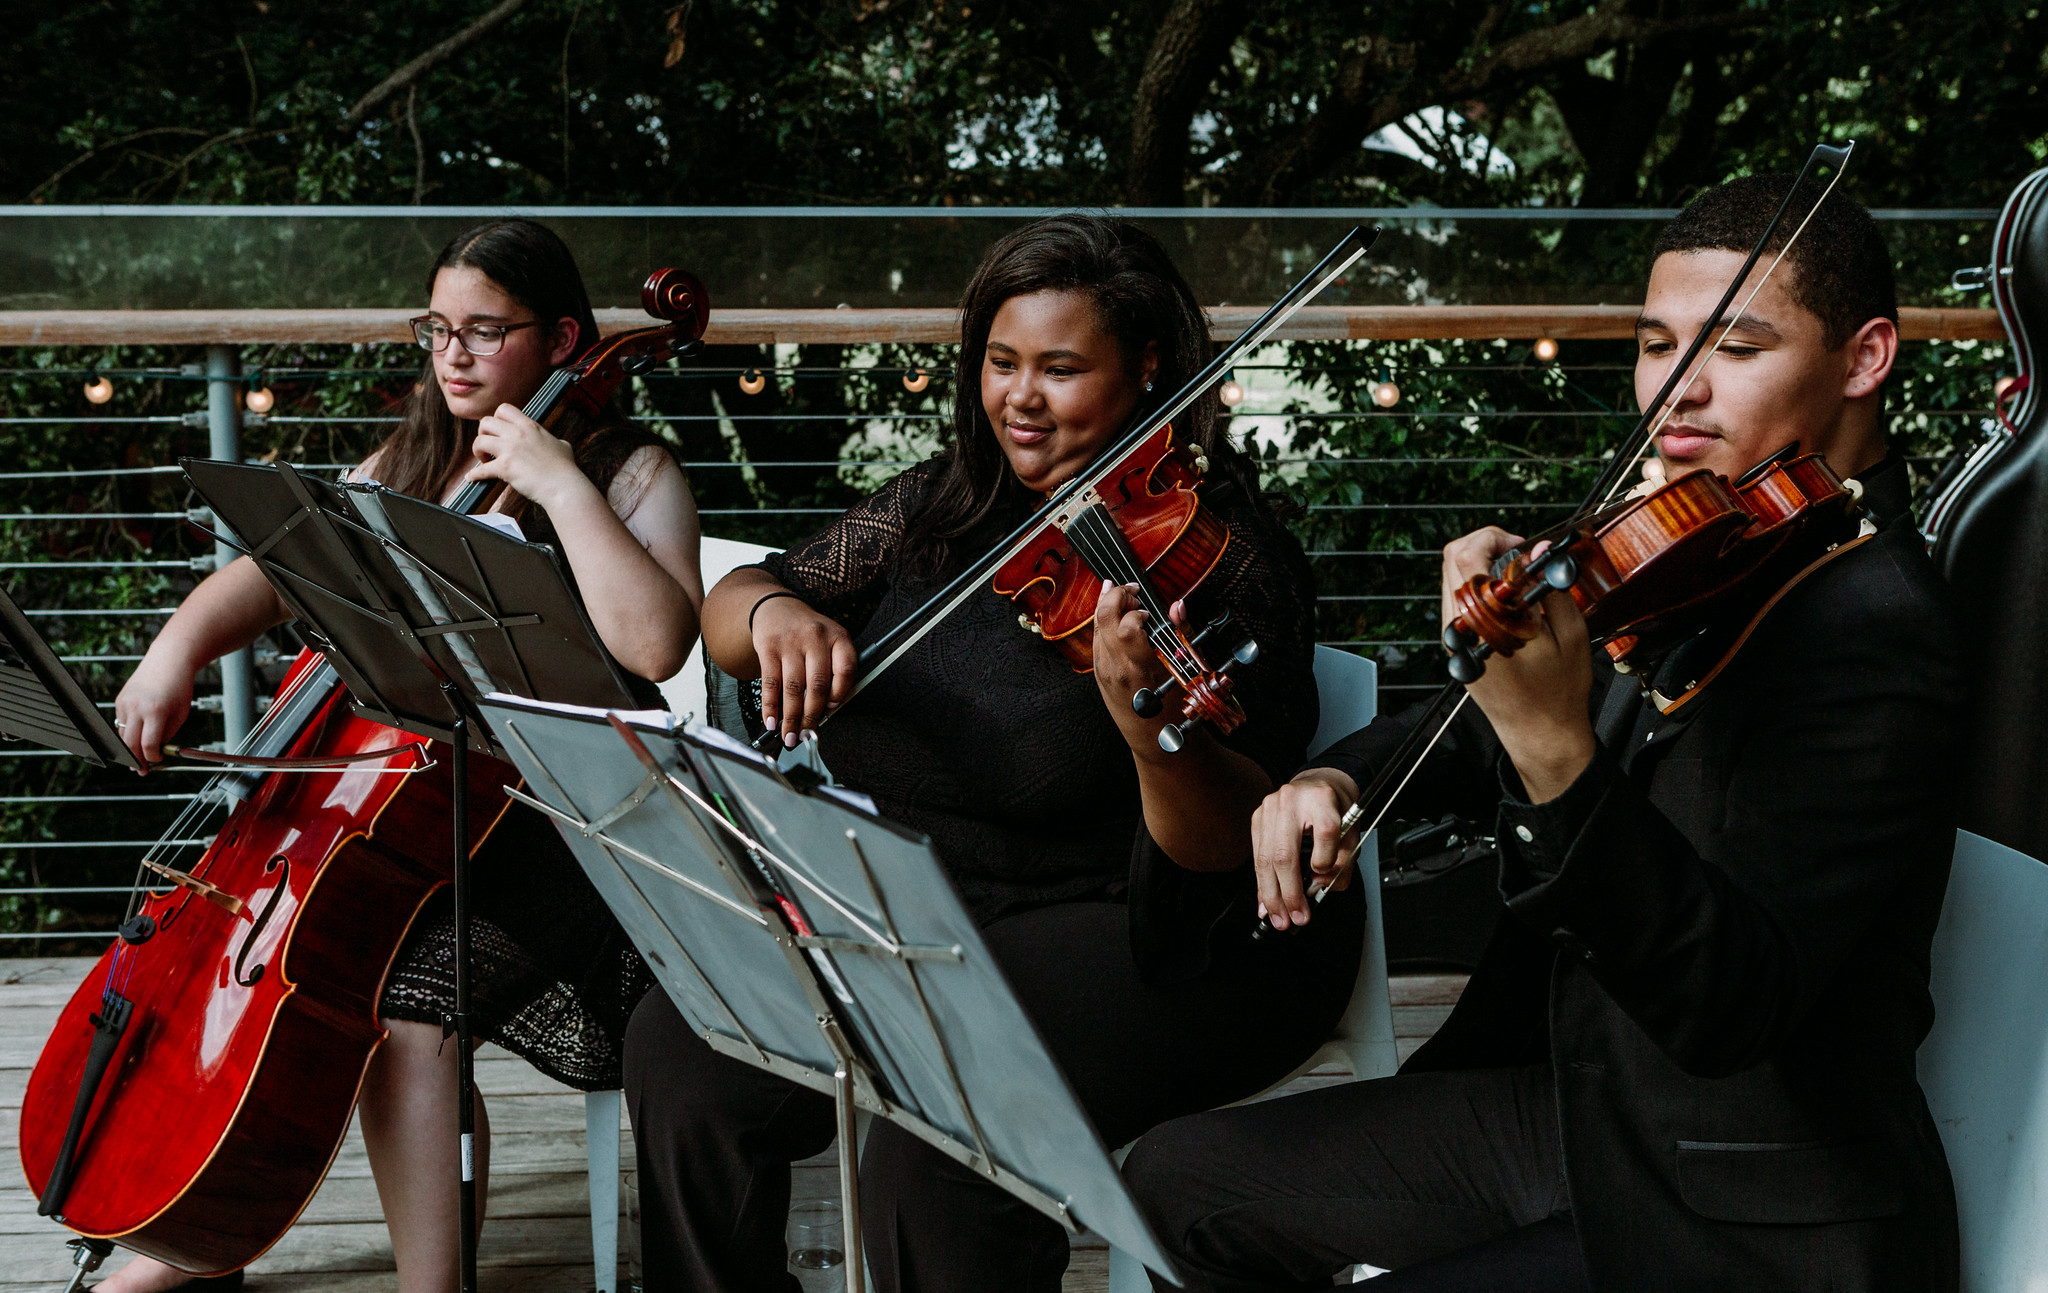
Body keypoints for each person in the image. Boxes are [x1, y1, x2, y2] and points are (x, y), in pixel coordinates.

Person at [1124, 175, 1965, 1292]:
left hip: (1740, 1210)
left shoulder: (1873, 628)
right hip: (1581, 1114)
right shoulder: (1707, 548)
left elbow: (1729, 1005)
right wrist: (1331, 777)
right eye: (1656, 344)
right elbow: (1469, 731)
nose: (1678, 389)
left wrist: (1561, 757)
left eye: (1738, 348)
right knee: (1175, 1179)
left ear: (1863, 361)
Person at [622, 214, 1363, 1292]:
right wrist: (780, 613)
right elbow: (736, 602)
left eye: (1059, 369)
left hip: (1162, 932)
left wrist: (1144, 729)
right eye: (1000, 363)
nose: (1018, 398)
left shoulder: (1225, 562)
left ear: (1146, 365)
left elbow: (1224, 845)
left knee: (937, 1133)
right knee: (685, 1042)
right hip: (939, 900)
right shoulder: (951, 502)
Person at [97, 220, 704, 1293]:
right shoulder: (413, 458)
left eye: (485, 330)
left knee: (404, 995)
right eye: (437, 329)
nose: (454, 355)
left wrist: (558, 484)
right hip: (421, 819)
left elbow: (655, 642)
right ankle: (193, 1210)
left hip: (568, 830)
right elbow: (276, 571)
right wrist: (172, 653)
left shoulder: (630, 469)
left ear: (562, 339)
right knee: (344, 958)